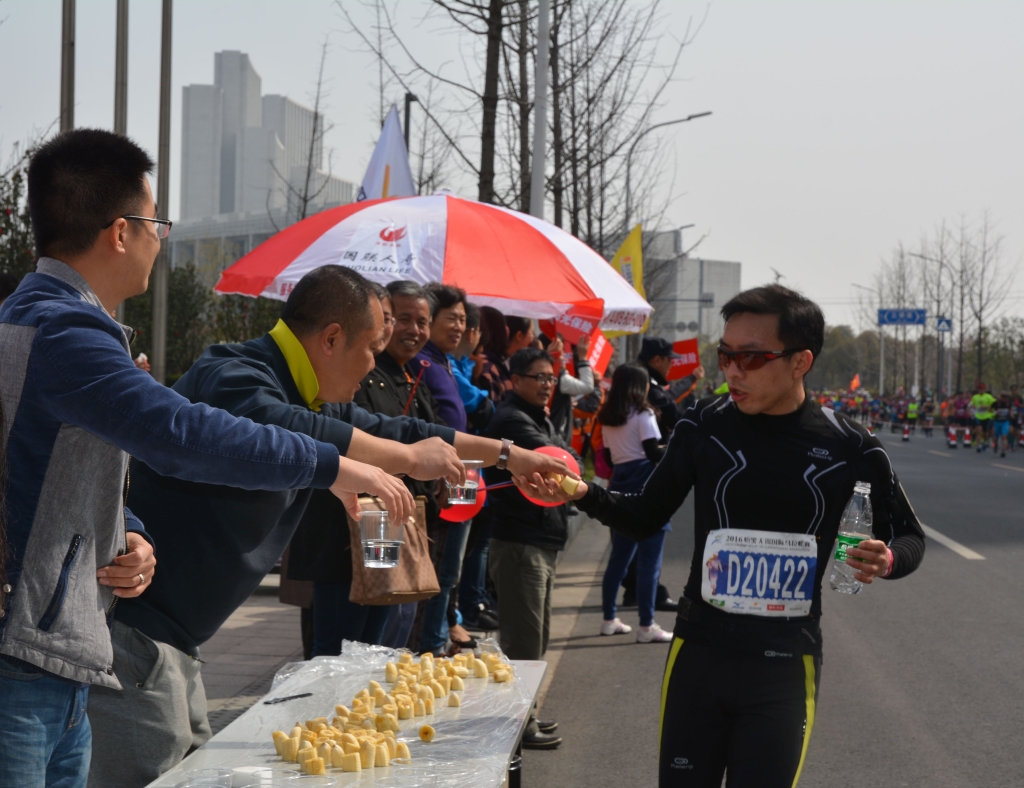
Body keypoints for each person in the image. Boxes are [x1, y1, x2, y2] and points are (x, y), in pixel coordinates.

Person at [0, 129, 408, 788]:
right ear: (121, 232)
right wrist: (332, 466)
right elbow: (186, 435)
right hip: (25, 660)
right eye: (157, 222)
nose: (161, 240)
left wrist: (126, 529)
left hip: (60, 652)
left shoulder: (49, 321)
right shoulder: (63, 333)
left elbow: (46, 464)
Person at [87, 268, 571, 788]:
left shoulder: (305, 389)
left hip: (178, 640)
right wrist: (385, 463)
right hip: (134, 632)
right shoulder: (234, 373)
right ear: (332, 338)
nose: (369, 371)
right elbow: (289, 432)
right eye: (369, 349)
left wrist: (508, 455)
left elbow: (397, 429)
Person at [517, 284, 926, 787]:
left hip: (784, 663)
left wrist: (886, 560)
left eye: (751, 358)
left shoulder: (852, 446)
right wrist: (581, 494)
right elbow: (645, 515)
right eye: (726, 354)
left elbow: (909, 537)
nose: (732, 370)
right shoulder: (704, 426)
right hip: (699, 656)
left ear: (801, 361)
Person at [284, 281, 438, 657]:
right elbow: (352, 437)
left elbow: (411, 432)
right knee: (338, 654)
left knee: (374, 651)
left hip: (380, 532)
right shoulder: (343, 379)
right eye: (393, 318)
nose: (396, 330)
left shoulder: (411, 375)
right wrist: (406, 458)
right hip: (343, 537)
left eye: (423, 321)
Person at [485, 347, 579, 749]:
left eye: (551, 378)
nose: (547, 385)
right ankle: (518, 724)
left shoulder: (535, 416)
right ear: (516, 380)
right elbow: (563, 466)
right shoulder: (512, 421)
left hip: (538, 539)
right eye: (538, 378)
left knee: (535, 637)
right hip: (520, 542)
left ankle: (528, 713)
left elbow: (569, 458)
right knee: (523, 641)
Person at [596, 364, 673, 643]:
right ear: (640, 387)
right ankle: (646, 626)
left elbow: (607, 453)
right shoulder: (644, 414)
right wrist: (672, 447)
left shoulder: (607, 417)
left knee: (618, 560)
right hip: (646, 488)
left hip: (619, 487)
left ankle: (608, 619)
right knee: (649, 563)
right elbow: (653, 453)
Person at [971, 384, 996, 451]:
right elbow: (972, 404)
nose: (981, 390)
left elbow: (994, 404)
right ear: (978, 390)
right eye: (980, 389)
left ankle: (985, 441)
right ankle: (979, 445)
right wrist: (973, 407)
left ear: (985, 389)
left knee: (986, 433)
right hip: (978, 416)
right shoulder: (975, 397)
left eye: (982, 389)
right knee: (979, 431)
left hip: (987, 417)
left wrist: (987, 407)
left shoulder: (988, 396)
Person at [992, 392, 1011, 457]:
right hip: (997, 422)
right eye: (1003, 397)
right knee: (996, 437)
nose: (1004, 398)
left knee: (1004, 436)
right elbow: (989, 408)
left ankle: (1003, 451)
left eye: (1005, 397)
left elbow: (1011, 410)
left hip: (1005, 422)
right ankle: (995, 445)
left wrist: (1011, 414)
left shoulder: (1008, 403)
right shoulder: (997, 403)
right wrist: (995, 412)